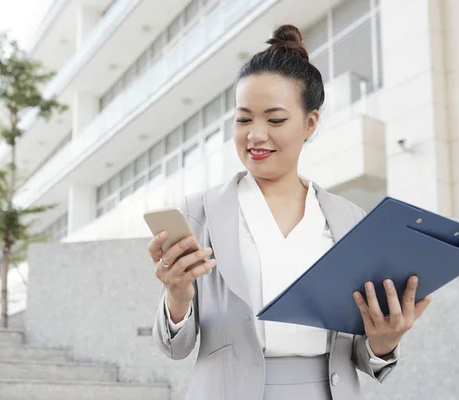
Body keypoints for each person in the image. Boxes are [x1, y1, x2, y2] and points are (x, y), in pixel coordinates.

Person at [149, 24, 432, 400]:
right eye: (244, 118)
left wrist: (385, 340)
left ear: (310, 123)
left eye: (276, 119)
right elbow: (175, 347)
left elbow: (363, 354)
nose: (255, 135)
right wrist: (177, 296)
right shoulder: (199, 212)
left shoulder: (348, 219)